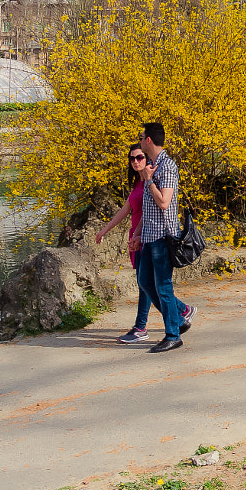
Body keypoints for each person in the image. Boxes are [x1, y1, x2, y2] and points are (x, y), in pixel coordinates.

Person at [95, 145, 162, 345]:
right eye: (132, 158)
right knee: (146, 284)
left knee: (145, 284)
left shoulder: (152, 179)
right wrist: (104, 230)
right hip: (136, 238)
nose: (135, 161)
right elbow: (125, 210)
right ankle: (181, 311)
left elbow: (155, 208)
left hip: (147, 237)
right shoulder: (137, 184)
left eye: (139, 157)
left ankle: (141, 326)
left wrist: (140, 234)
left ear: (146, 158)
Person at [137, 122, 192, 353]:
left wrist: (148, 181)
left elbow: (164, 202)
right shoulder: (152, 166)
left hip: (162, 235)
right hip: (149, 236)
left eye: (141, 137)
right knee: (145, 282)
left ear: (149, 140)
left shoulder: (167, 167)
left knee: (163, 285)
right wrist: (138, 233)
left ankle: (173, 334)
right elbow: (147, 206)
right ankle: (178, 319)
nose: (139, 140)